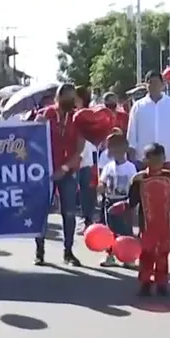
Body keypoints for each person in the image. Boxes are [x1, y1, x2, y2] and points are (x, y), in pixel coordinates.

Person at [34, 84, 85, 266]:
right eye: (66, 97)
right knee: (41, 211)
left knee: (69, 212)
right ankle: (39, 251)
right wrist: (36, 125)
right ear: (58, 97)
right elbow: (32, 139)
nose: (70, 101)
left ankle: (68, 252)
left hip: (68, 170)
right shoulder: (46, 114)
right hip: (45, 170)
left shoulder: (78, 118)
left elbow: (79, 149)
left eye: (72, 97)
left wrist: (64, 168)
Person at [128, 143, 170, 296]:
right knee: (147, 254)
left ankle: (162, 283)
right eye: (152, 160)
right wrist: (123, 207)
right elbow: (132, 201)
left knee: (163, 254)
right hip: (146, 224)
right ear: (145, 160)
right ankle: (145, 282)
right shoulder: (139, 179)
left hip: (165, 223)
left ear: (164, 158)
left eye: (159, 159)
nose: (156, 163)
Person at [127, 71, 170, 170]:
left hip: (168, 161)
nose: (153, 86)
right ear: (145, 85)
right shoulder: (138, 107)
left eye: (156, 82)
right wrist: (132, 161)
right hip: (144, 162)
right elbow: (131, 137)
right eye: (150, 83)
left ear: (162, 85)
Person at [97, 131, 137, 268]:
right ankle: (110, 255)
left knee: (126, 230)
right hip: (109, 201)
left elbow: (134, 185)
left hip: (124, 202)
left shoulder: (130, 168)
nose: (112, 151)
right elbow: (102, 181)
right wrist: (100, 187)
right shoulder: (108, 167)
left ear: (124, 149)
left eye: (115, 147)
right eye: (110, 148)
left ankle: (128, 257)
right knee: (110, 230)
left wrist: (131, 203)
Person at [75, 86, 97, 234]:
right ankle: (85, 219)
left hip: (87, 157)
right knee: (81, 193)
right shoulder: (72, 114)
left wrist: (81, 155)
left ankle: (89, 220)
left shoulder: (88, 114)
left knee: (87, 191)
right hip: (75, 158)